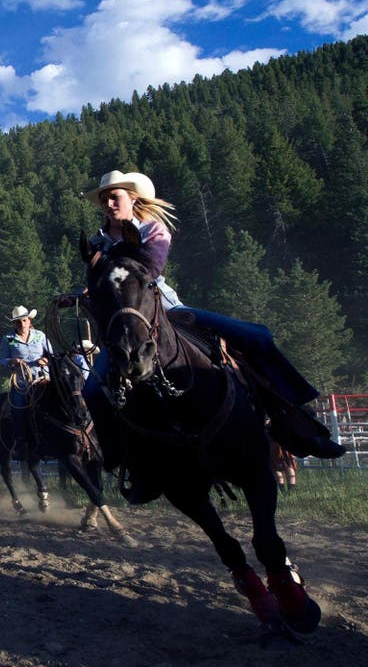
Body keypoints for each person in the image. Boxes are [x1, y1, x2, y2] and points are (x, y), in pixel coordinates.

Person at [82, 169, 342, 461]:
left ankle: (300, 420)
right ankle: (118, 458)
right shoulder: (96, 243)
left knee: (256, 336)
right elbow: (96, 284)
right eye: (104, 200)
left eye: (115, 197)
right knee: (92, 389)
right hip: (123, 327)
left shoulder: (151, 230)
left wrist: (112, 263)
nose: (109, 204)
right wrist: (82, 294)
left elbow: (150, 270)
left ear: (132, 199)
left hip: (169, 313)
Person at [0, 305, 54, 443]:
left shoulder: (40, 336)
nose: (21, 324)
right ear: (14, 323)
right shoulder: (9, 339)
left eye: (24, 320)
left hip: (43, 379)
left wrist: (46, 360)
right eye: (18, 321)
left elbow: (52, 355)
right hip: (22, 383)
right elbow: (1, 359)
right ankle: (20, 439)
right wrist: (12, 361)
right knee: (18, 407)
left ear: (29, 321)